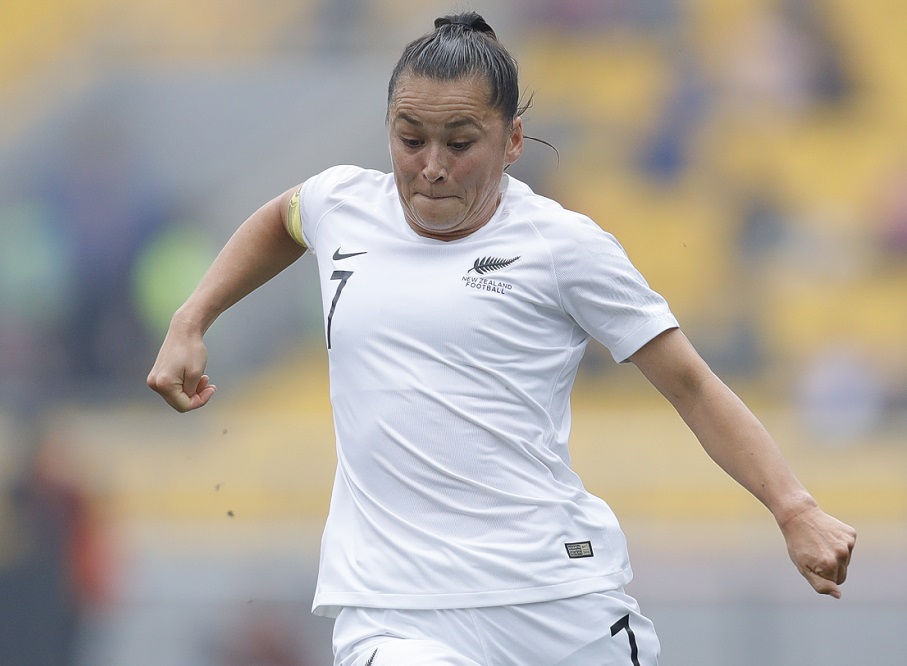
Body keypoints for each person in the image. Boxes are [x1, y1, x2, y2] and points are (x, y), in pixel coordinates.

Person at [147, 12, 856, 665]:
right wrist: (192, 319)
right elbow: (282, 219)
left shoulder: (563, 246)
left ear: (511, 141)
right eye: (408, 138)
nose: (430, 164)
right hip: (394, 611)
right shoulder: (343, 204)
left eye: (459, 143)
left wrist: (794, 510)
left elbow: (691, 385)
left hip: (553, 602)